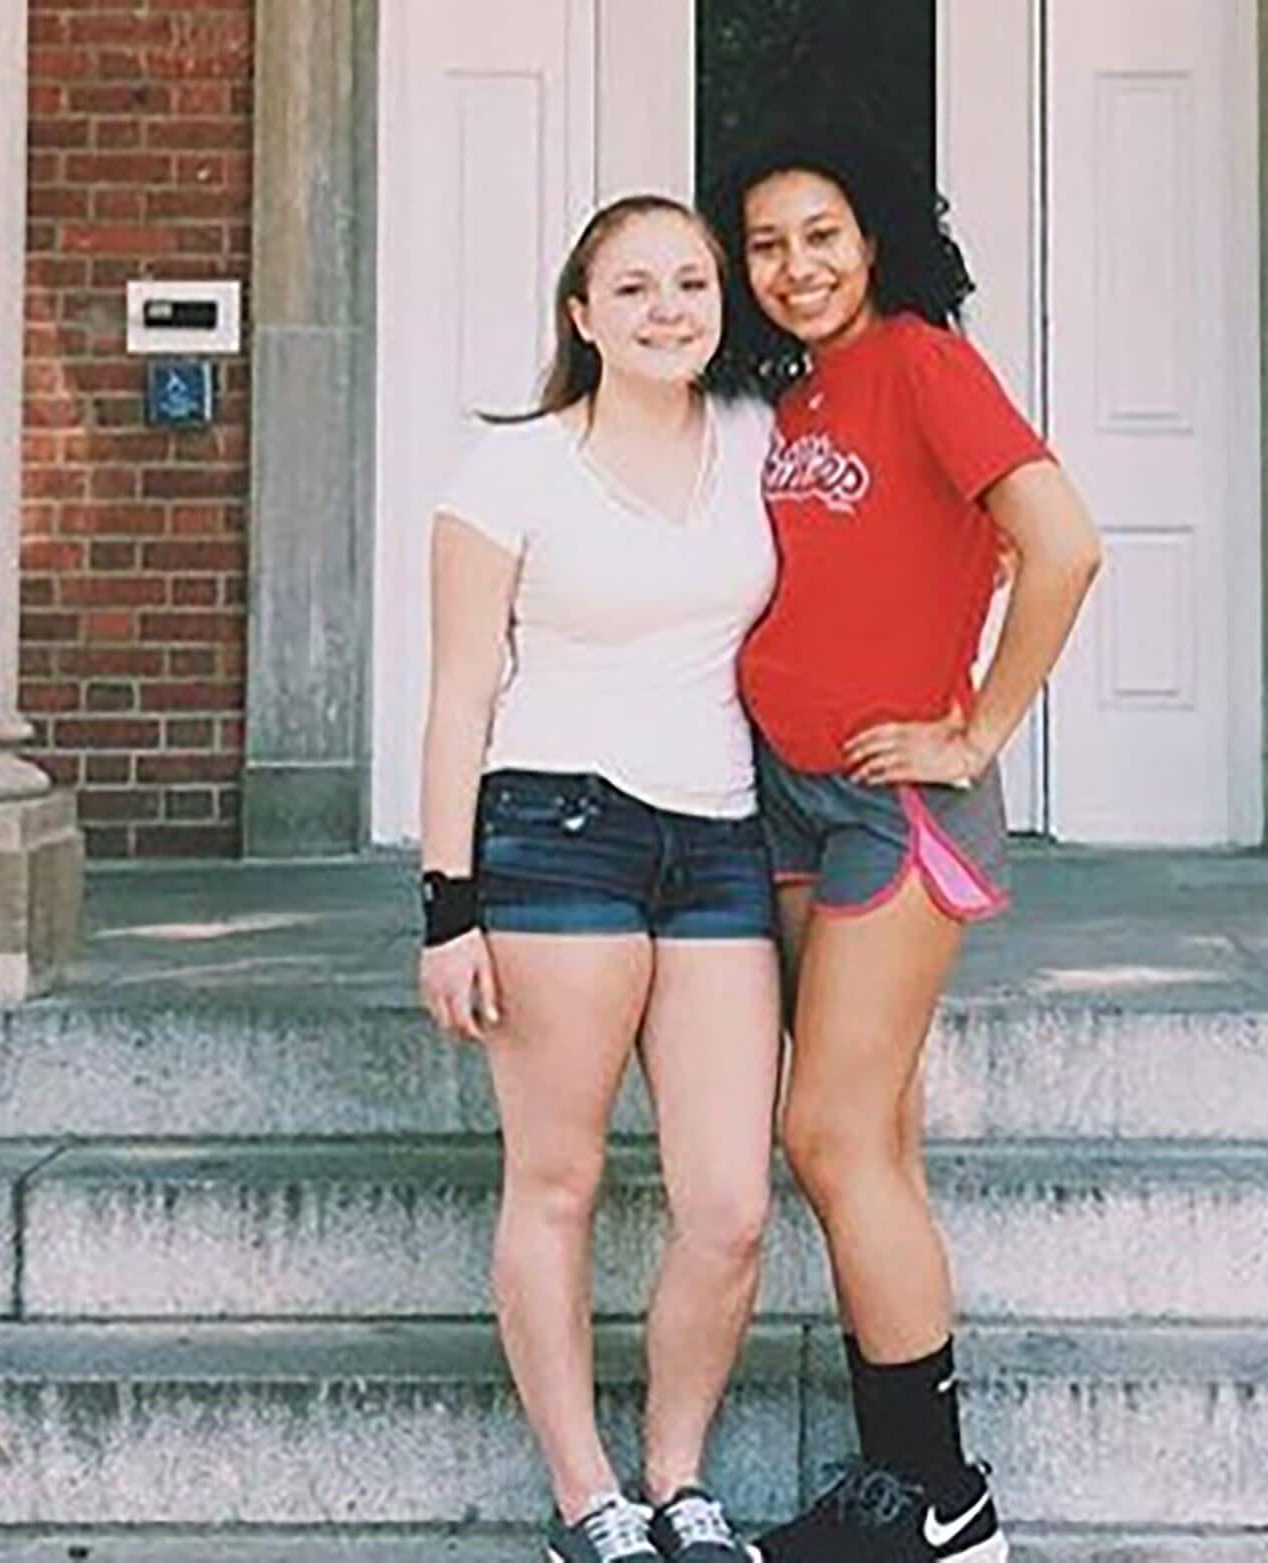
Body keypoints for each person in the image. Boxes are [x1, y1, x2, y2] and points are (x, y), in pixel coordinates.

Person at [707, 131, 1104, 1563]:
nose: (795, 267)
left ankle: (939, 1494)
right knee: (871, 1134)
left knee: (821, 1130)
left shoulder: (925, 361)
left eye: (820, 234)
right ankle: (912, 1490)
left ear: (872, 241)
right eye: (764, 244)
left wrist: (977, 731)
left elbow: (1060, 541)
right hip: (791, 798)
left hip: (891, 805)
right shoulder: (792, 394)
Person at [416, 194, 785, 1563]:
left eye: (689, 282)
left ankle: (679, 1480)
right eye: (631, 288)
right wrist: (445, 907)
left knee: (728, 1205)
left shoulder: (755, 439)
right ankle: (589, 1499)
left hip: (719, 839)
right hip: (552, 833)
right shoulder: (507, 467)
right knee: (558, 1178)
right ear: (581, 316)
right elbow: (458, 697)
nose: (667, 309)